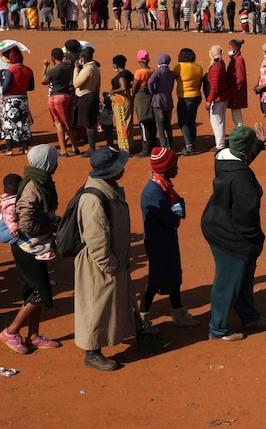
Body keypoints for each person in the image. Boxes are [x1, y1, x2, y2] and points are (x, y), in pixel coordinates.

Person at [76, 147, 164, 371]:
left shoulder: (108, 189)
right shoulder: (94, 199)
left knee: (121, 301)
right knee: (97, 306)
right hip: (101, 265)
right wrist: (111, 265)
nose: (123, 169)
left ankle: (141, 336)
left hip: (115, 259)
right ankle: (92, 352)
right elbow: (96, 241)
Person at [202, 125, 266, 342]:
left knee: (244, 275)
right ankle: (217, 328)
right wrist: (252, 241)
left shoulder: (222, 160)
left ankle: (249, 316)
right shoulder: (242, 179)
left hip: (216, 221)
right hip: (229, 235)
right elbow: (245, 215)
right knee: (227, 280)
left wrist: (257, 145)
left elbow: (241, 159)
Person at [0, 151, 63, 354]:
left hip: (37, 247)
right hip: (28, 249)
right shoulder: (32, 187)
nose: (57, 163)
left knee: (36, 292)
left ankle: (33, 336)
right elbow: (26, 225)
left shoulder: (40, 181)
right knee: (38, 293)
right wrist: (51, 227)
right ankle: (11, 331)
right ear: (46, 163)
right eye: (54, 160)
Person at [139, 147, 199, 332]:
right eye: (176, 166)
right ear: (166, 168)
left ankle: (178, 313)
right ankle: (142, 316)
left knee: (174, 276)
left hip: (166, 240)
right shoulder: (154, 192)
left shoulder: (161, 185)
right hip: (159, 243)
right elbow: (173, 219)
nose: (178, 169)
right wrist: (178, 206)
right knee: (157, 280)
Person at [42, 48, 79, 156]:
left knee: (59, 124)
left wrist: (45, 67)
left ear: (52, 58)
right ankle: (75, 147)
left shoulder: (53, 70)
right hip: (67, 96)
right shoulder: (68, 68)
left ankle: (63, 150)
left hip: (55, 98)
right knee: (68, 123)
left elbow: (43, 81)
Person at [0, 47, 34, 156]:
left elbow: (5, 87)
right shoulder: (29, 70)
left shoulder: (11, 70)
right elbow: (31, 87)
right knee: (24, 123)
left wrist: (1, 81)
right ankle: (26, 148)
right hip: (23, 98)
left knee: (9, 123)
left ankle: (9, 149)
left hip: (10, 99)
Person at [172, 48, 203, 156]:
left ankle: (189, 146)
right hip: (196, 96)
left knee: (183, 122)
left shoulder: (179, 66)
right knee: (191, 120)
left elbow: (172, 76)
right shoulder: (198, 67)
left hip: (185, 97)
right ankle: (192, 142)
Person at [73, 47, 101, 157]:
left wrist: (76, 69)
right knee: (92, 123)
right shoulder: (96, 68)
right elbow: (98, 85)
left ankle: (92, 148)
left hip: (85, 97)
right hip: (93, 95)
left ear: (83, 59)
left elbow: (76, 84)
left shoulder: (87, 70)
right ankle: (92, 147)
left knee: (89, 124)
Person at [147, 54, 175, 150]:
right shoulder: (171, 73)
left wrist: (153, 91)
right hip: (168, 101)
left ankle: (164, 145)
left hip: (158, 101)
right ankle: (171, 144)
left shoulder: (158, 72)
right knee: (168, 125)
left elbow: (150, 82)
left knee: (160, 125)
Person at [131, 50, 156, 156]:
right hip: (150, 95)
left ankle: (146, 149)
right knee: (151, 122)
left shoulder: (139, 72)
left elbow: (134, 87)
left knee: (143, 122)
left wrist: (132, 93)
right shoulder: (153, 70)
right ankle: (153, 145)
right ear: (148, 60)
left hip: (140, 98)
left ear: (138, 60)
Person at [205, 45, 229, 152]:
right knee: (220, 120)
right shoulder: (221, 63)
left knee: (216, 121)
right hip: (223, 97)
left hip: (218, 99)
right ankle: (220, 142)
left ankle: (220, 145)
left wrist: (209, 100)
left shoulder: (215, 68)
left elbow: (214, 86)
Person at [108, 55, 134, 154]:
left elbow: (123, 87)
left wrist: (112, 91)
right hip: (125, 100)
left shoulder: (122, 75)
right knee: (126, 123)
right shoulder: (128, 73)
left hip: (121, 102)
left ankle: (125, 148)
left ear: (115, 65)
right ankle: (128, 145)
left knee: (122, 124)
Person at [226, 39, 247, 128]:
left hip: (236, 93)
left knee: (236, 116)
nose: (229, 50)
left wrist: (233, 90)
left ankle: (240, 135)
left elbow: (240, 79)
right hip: (235, 91)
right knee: (235, 115)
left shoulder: (238, 60)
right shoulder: (235, 59)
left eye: (230, 48)